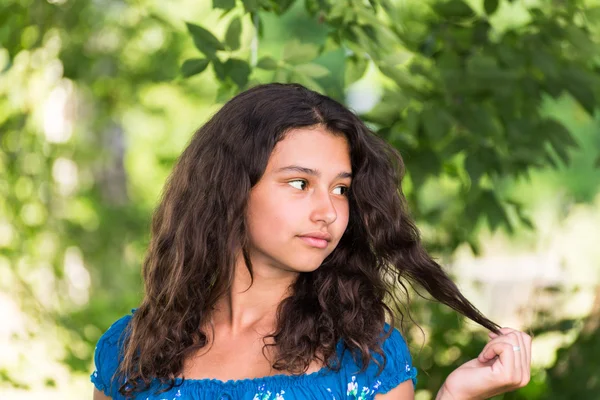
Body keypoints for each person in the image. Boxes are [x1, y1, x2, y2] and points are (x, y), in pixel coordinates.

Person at [91, 83, 531, 400]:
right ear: (230, 190)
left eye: (340, 189)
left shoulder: (364, 356)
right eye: (300, 183)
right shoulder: (132, 348)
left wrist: (456, 396)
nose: (329, 211)